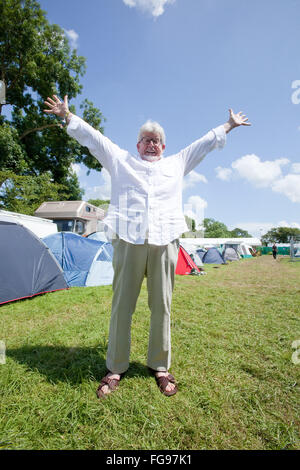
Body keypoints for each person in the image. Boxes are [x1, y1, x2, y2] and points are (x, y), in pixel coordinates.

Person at [44, 95, 251, 398]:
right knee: (121, 307)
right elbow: (95, 139)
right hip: (128, 240)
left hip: (165, 240)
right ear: (137, 145)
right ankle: (115, 367)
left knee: (162, 306)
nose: (151, 144)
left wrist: (229, 125)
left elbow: (204, 143)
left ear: (163, 147)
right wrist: (68, 116)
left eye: (156, 141)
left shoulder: (178, 163)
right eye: (145, 140)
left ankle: (160, 366)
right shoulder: (121, 160)